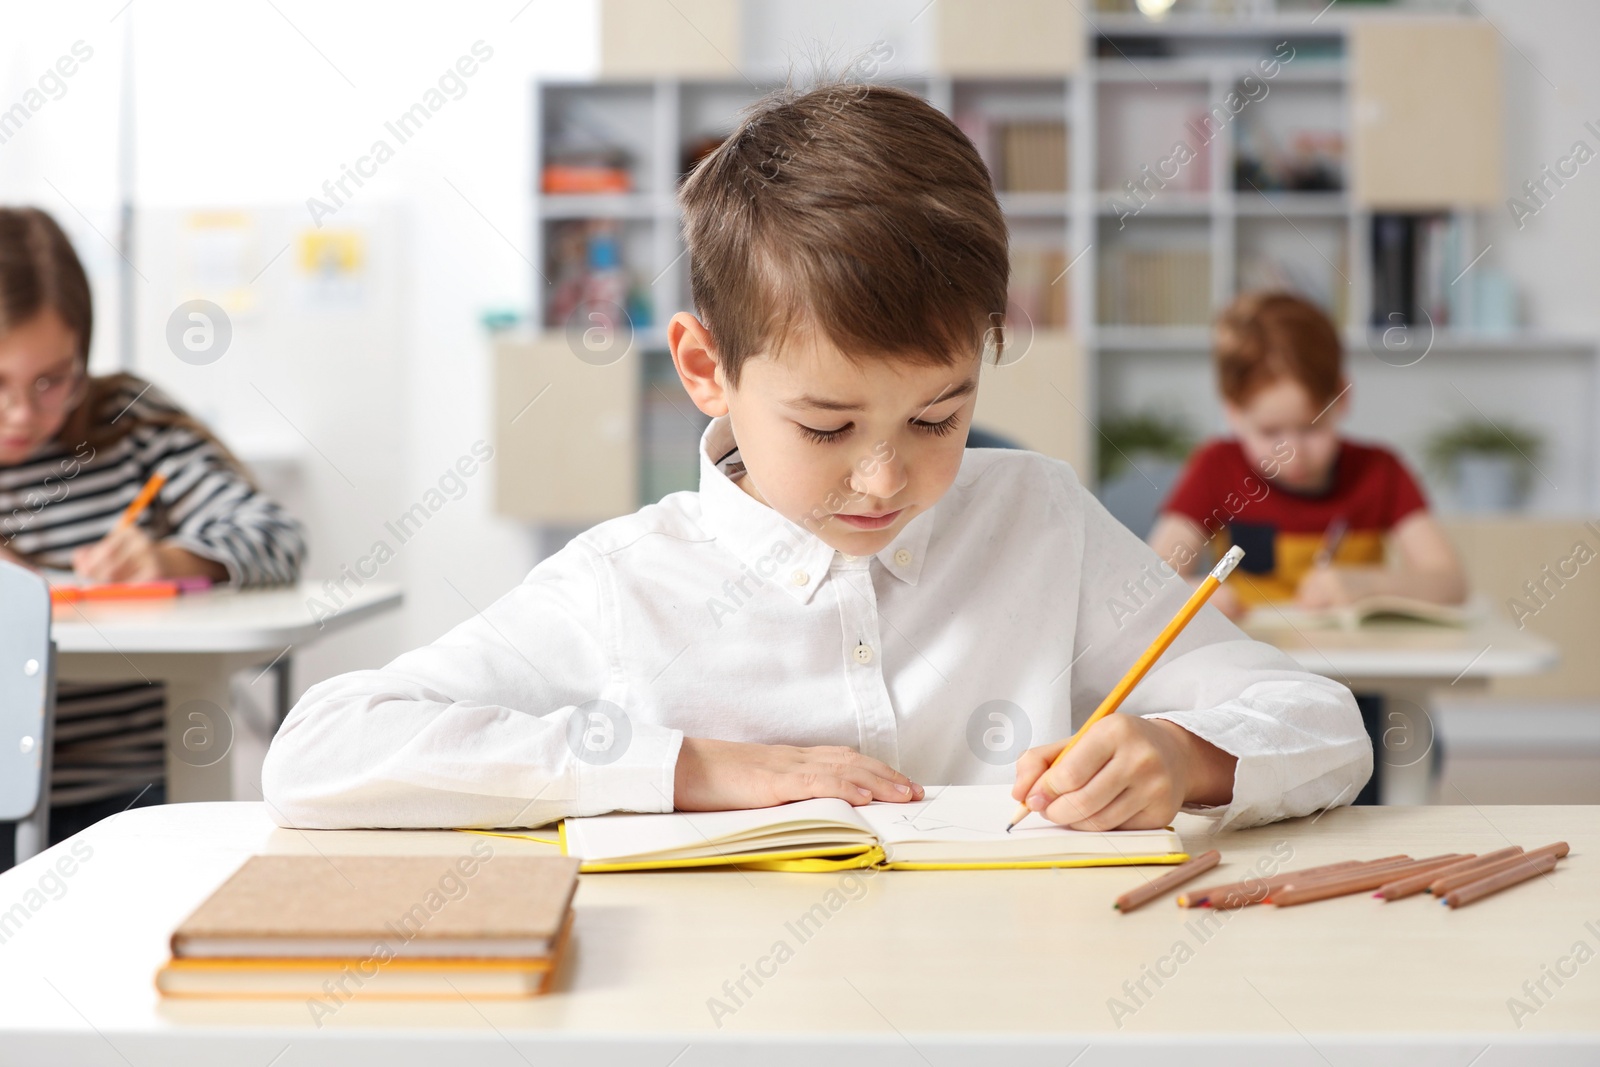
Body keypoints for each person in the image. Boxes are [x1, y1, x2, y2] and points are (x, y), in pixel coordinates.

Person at [264, 82, 1369, 835]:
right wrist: (691, 769)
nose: (884, 480)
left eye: (937, 418)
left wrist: (1182, 755)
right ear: (705, 368)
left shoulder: (1035, 518)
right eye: (827, 428)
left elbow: (1321, 721)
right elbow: (321, 749)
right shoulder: (625, 583)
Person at [0, 207, 306, 869]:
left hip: (130, 798)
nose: (22, 413)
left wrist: (174, 557)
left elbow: (276, 535)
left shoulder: (132, 425)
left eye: (51, 380)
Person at [1148, 290, 1467, 803]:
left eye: (1312, 426)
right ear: (1233, 412)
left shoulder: (1380, 472)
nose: (1292, 452)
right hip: (1250, 691)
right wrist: (1194, 590)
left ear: (1342, 398)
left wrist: (1364, 583)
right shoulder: (1218, 468)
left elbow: (1449, 581)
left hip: (1360, 691)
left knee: (1384, 771)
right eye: (1270, 431)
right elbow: (1153, 573)